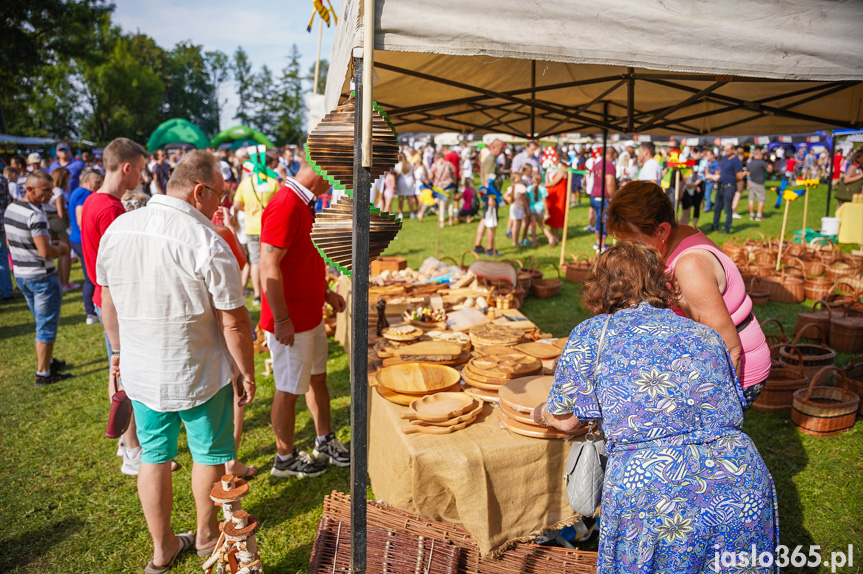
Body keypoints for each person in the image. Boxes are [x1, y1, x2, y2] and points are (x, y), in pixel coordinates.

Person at [536, 241, 778, 574]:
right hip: (738, 479)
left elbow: (566, 419)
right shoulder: (704, 334)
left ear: (599, 287)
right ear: (661, 283)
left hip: (653, 489)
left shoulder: (593, 334)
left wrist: (542, 413)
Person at [97, 150, 255, 573]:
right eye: (219, 195)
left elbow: (106, 298)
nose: (222, 203)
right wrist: (246, 371)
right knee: (206, 455)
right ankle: (203, 536)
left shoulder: (119, 228)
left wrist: (118, 349)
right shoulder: (205, 240)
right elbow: (235, 322)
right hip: (198, 370)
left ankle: (163, 548)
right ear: (199, 191)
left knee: (154, 455)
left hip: (144, 368)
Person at [607, 181, 771, 407]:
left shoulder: (689, 267)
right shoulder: (679, 234)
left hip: (734, 369)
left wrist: (718, 406)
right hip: (708, 361)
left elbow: (728, 348)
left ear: (662, 230)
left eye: (632, 241)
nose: (626, 249)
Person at [259, 157, 349, 478]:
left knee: (317, 379)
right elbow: (268, 265)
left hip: (308, 317)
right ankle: (284, 459)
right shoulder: (285, 204)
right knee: (287, 390)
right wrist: (282, 320)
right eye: (336, 174)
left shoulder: (304, 203)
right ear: (322, 168)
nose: (336, 182)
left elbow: (301, 258)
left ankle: (323, 439)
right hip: (291, 323)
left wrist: (325, 293)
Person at [82, 137, 149, 475]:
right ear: (126, 167)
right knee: (127, 378)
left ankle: (128, 443)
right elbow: (122, 266)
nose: (141, 175)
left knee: (117, 370)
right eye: (139, 168)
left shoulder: (96, 202)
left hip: (105, 299)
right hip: (116, 304)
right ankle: (134, 451)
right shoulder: (109, 209)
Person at [3, 170, 73, 385]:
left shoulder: (11, 208)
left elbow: (8, 242)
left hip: (23, 276)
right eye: (46, 190)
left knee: (40, 321)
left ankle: (49, 360)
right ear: (30, 189)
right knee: (46, 327)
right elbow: (45, 251)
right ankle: (43, 373)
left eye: (51, 189)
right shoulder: (36, 214)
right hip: (42, 277)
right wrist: (61, 248)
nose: (51, 195)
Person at [232, 149, 280, 307]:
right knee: (271, 262)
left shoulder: (246, 183)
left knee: (254, 262)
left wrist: (250, 209)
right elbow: (280, 204)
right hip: (269, 228)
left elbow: (237, 204)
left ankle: (258, 295)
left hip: (251, 227)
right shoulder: (273, 182)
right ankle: (270, 293)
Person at [68, 167, 104, 325]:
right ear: (85, 180)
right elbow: (81, 220)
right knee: (91, 277)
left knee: (90, 276)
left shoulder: (77, 191)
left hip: (76, 239)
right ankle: (91, 312)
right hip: (81, 240)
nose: (98, 185)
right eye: (96, 182)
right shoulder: (83, 194)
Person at [46, 168, 77, 292]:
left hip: (49, 220)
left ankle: (60, 281)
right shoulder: (58, 191)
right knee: (65, 252)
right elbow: (60, 213)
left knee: (59, 253)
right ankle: (64, 283)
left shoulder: (49, 189)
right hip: (60, 222)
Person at [473, 139, 504, 256]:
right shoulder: (490, 159)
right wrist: (491, 197)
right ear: (494, 147)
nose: (502, 151)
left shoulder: (490, 159)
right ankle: (490, 249)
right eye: (501, 148)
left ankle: (478, 245)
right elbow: (488, 180)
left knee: (485, 219)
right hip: (490, 194)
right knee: (491, 221)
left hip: (487, 194)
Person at [711, 144, 744, 233]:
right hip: (721, 186)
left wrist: (731, 178)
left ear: (733, 150)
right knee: (717, 208)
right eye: (725, 150)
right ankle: (714, 226)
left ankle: (727, 228)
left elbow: (739, 176)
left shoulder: (736, 161)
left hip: (730, 186)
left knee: (727, 208)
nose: (726, 152)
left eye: (728, 150)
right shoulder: (724, 158)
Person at [590, 147, 616, 252]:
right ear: (613, 154)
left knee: (598, 219)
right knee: (605, 220)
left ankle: (598, 242)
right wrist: (613, 197)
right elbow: (609, 183)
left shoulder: (598, 163)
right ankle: (602, 245)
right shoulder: (609, 165)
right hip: (604, 197)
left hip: (594, 195)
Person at [543, 148, 568, 247]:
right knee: (551, 214)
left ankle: (556, 237)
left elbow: (553, 182)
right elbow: (548, 182)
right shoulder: (554, 168)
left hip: (559, 194)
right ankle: (554, 235)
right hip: (551, 194)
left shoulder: (563, 169)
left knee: (557, 214)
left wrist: (541, 185)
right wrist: (547, 173)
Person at [429, 152, 456, 227]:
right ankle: (450, 220)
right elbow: (453, 173)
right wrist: (455, 182)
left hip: (440, 187)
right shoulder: (448, 164)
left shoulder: (435, 165)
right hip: (449, 185)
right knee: (450, 203)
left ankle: (442, 221)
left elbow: (430, 176)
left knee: (441, 204)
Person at [0, 170, 13, 302]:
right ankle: (6, 291)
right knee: (3, 258)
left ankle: (6, 291)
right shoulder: (3, 179)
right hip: (2, 223)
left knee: (3, 258)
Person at [747, 149, 768, 221]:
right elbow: (769, 169)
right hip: (759, 183)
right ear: (758, 155)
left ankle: (751, 215)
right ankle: (759, 216)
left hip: (751, 182)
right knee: (761, 199)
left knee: (751, 199)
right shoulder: (762, 163)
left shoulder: (750, 163)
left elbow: (748, 173)